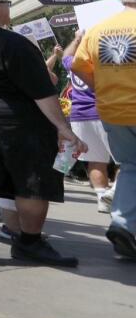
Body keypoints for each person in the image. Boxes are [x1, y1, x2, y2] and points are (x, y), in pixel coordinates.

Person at [0, 0, 85, 266]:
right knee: (32, 182)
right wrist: (63, 127)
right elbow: (42, 93)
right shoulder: (16, 44)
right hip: (16, 123)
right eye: (7, 4)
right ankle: (30, 243)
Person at [72, 0, 136, 261]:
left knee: (131, 166)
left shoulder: (98, 29)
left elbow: (77, 65)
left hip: (112, 109)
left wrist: (102, 88)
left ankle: (123, 224)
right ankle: (124, 224)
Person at [59, 31, 115, 213]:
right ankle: (113, 191)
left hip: (80, 116)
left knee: (95, 160)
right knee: (126, 160)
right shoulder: (103, 60)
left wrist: (76, 39)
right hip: (104, 113)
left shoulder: (76, 62)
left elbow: (65, 56)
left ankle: (101, 197)